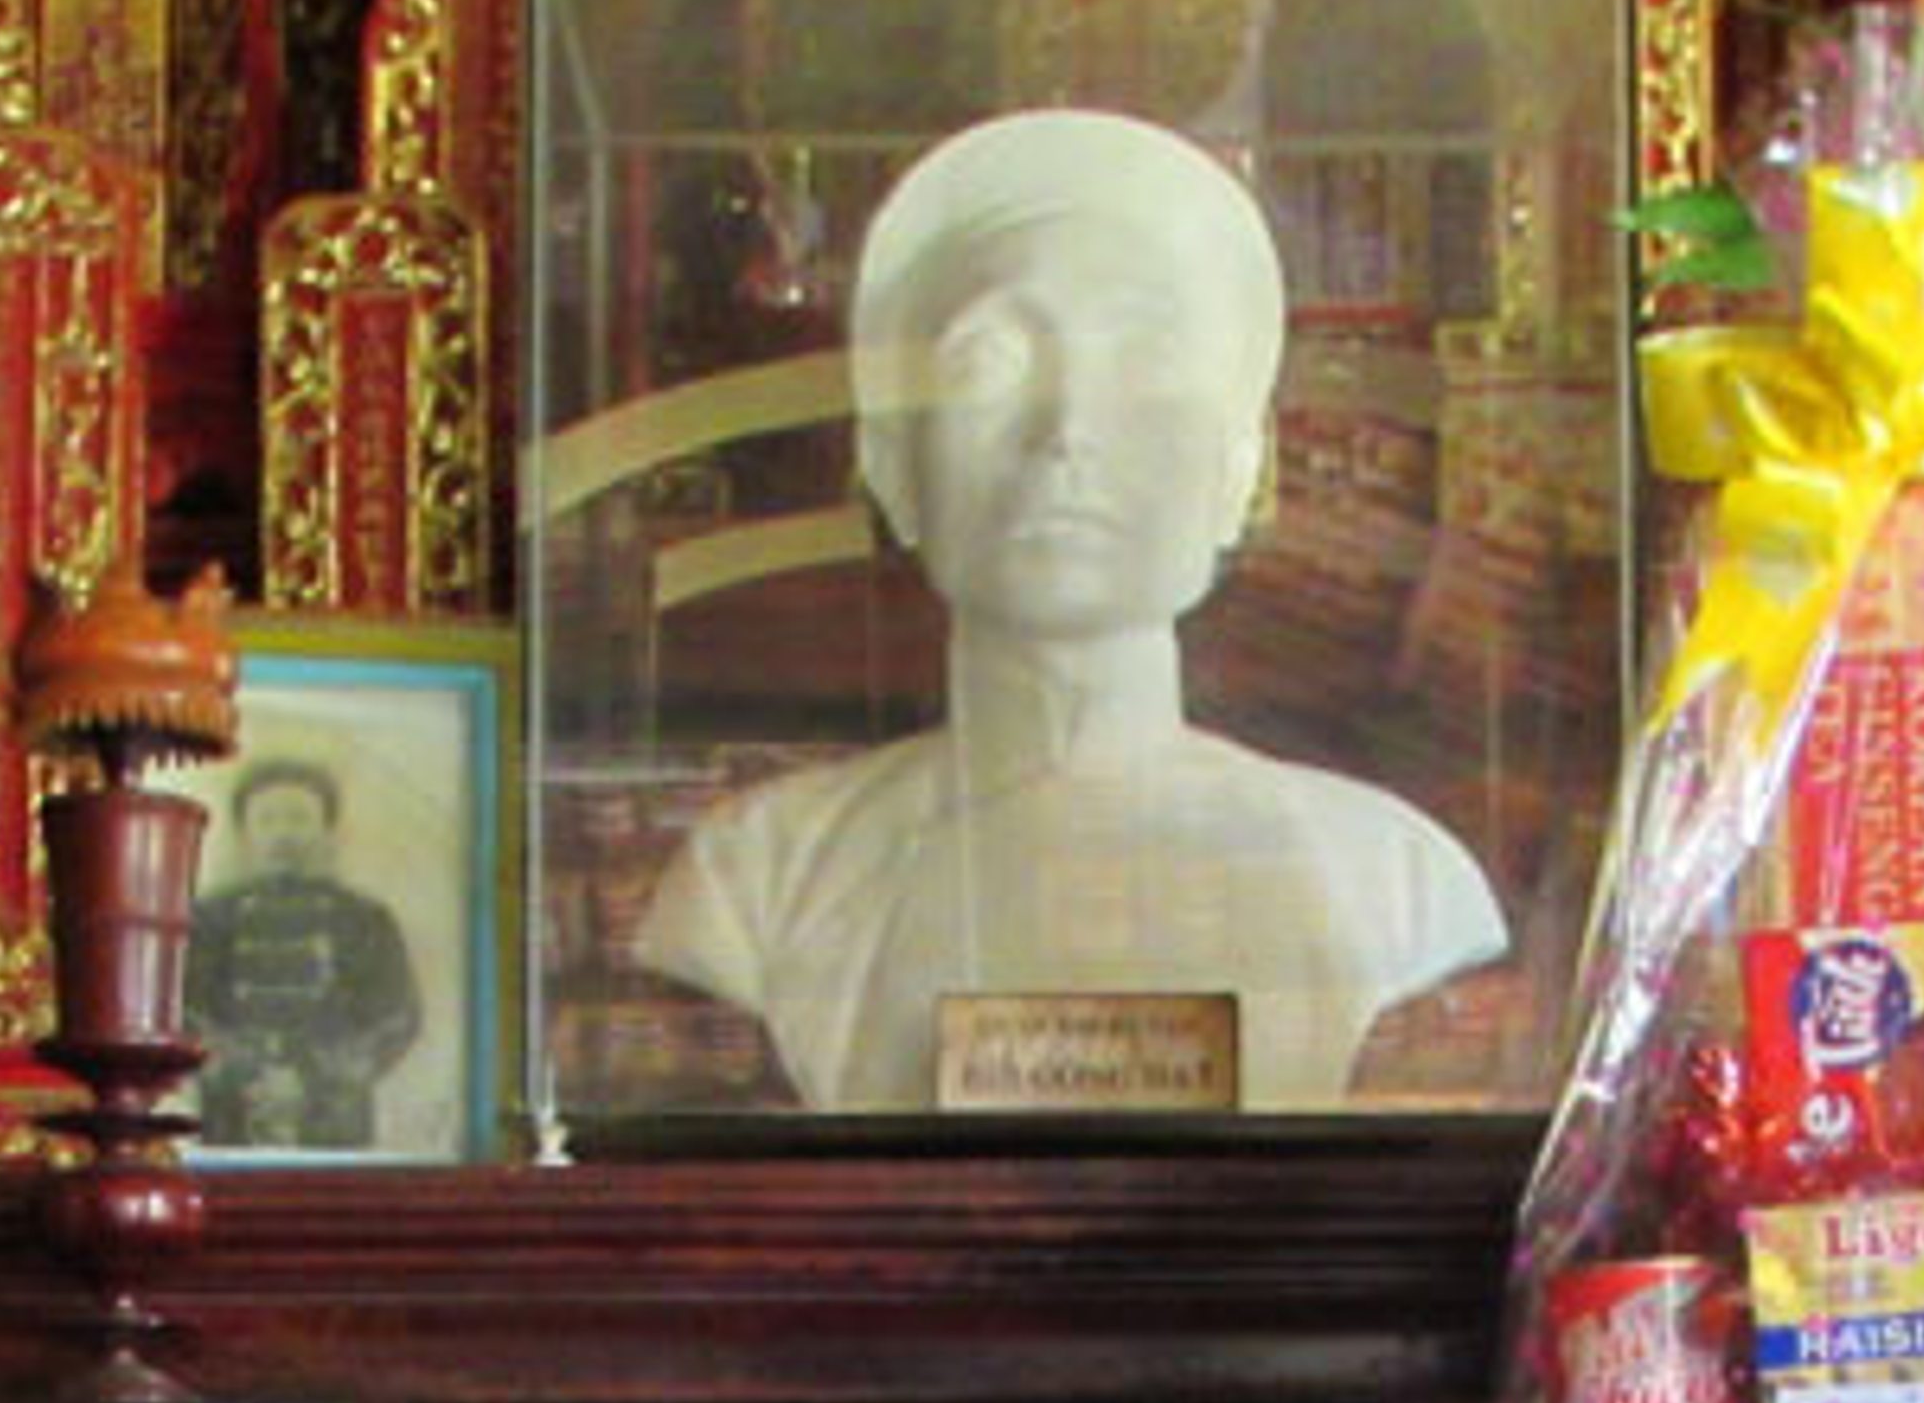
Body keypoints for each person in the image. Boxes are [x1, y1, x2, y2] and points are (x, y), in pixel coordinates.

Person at [632, 106, 1506, 1109]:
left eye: (1144, 364)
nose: (1068, 429)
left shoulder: (1390, 883)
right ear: (893, 469)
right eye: (990, 365)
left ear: (1239, 474)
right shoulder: (763, 880)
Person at [185, 756, 423, 1149]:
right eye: (268, 819)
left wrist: (312, 1077)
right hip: (236, 1109)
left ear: (326, 830)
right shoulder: (208, 918)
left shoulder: (365, 918)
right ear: (245, 832)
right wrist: (245, 1073)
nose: (283, 835)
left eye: (298, 819)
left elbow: (397, 1015)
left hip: (334, 1113)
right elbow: (183, 1014)